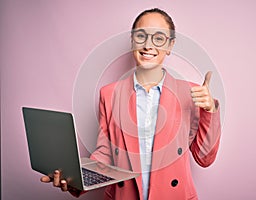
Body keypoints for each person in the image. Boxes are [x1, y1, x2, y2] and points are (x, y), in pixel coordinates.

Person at [41, 8, 221, 200]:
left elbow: (204, 158)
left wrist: (209, 111)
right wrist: (74, 179)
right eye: (141, 36)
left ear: (170, 45)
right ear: (132, 41)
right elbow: (105, 155)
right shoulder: (109, 94)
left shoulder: (192, 94)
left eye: (158, 38)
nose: (148, 45)